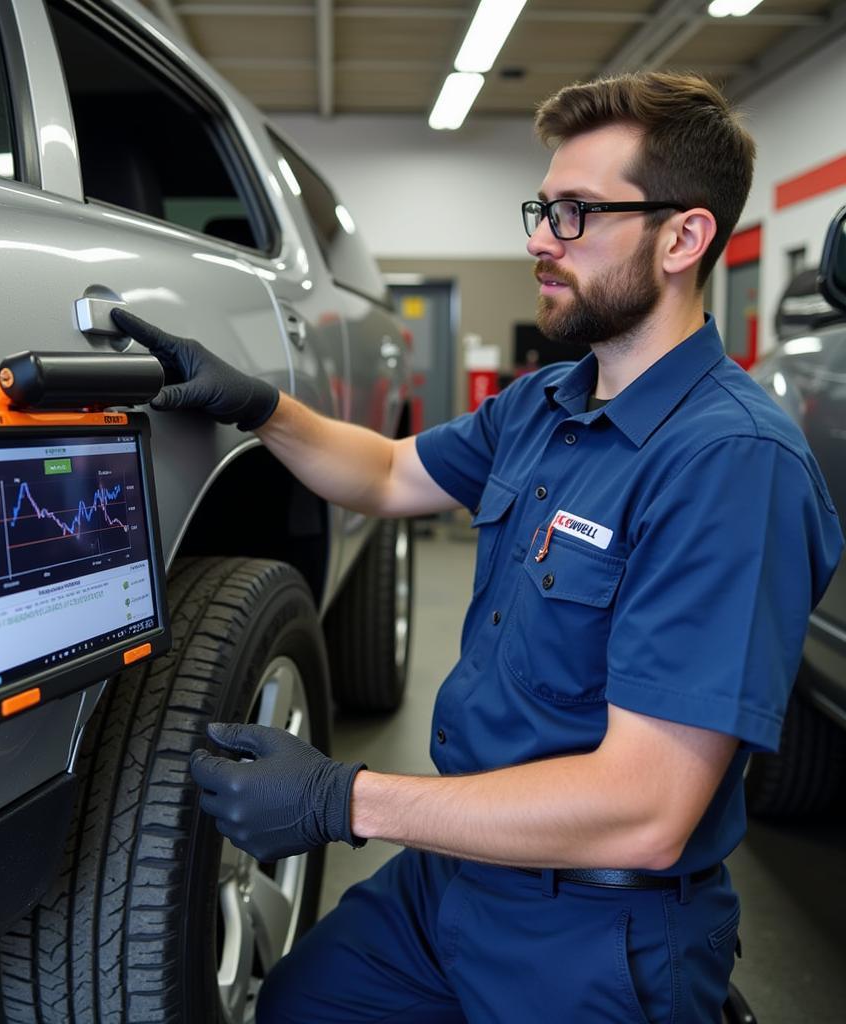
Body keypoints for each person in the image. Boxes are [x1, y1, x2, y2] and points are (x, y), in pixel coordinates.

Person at [110, 71, 843, 1024]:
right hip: (453, 881)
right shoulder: (550, 403)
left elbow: (649, 808)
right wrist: (258, 407)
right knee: (300, 1005)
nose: (540, 238)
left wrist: (347, 800)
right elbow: (383, 473)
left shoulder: (731, 465)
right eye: (543, 207)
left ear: (684, 237)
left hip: (593, 926)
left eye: (577, 213)